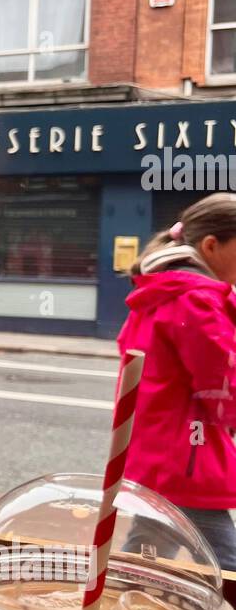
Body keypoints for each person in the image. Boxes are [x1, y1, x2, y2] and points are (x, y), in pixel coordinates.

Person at [118, 193, 236, 570]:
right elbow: (224, 377)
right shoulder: (195, 300)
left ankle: (120, 607)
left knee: (147, 551)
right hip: (189, 452)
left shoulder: (164, 291)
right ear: (211, 245)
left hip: (165, 448)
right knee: (227, 560)